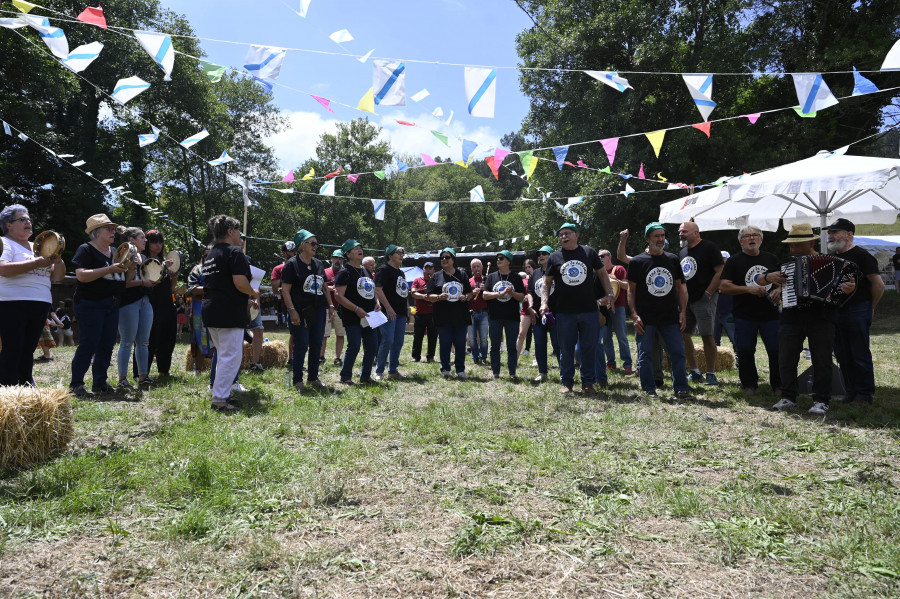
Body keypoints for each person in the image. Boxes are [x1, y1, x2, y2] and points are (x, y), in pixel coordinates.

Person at [763, 223, 853, 415]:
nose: (792, 248)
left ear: (811, 242)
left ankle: (821, 400)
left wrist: (848, 290)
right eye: (790, 245)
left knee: (822, 359)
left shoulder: (834, 262)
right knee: (786, 358)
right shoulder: (785, 263)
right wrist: (768, 277)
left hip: (822, 317)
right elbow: (759, 281)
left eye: (797, 244)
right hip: (791, 317)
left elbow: (842, 293)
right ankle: (788, 397)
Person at [540, 223, 613, 394]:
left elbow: (602, 274)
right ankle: (567, 383)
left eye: (567, 233)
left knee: (589, 348)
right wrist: (544, 302)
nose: (563, 236)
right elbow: (546, 283)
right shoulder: (555, 257)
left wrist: (609, 294)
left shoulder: (589, 252)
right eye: (560, 234)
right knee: (566, 349)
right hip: (564, 311)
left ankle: (588, 382)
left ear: (576, 235)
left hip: (589, 309)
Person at [0, 204, 67, 386]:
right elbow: (3, 269)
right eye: (22, 219)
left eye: (29, 219)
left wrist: (58, 258)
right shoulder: (5, 243)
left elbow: (58, 277)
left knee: (28, 348)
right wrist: (36, 263)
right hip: (12, 302)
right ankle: (7, 387)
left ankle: (25, 383)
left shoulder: (38, 246)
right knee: (13, 346)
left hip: (40, 303)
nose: (28, 222)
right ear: (8, 224)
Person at [626, 222, 691, 399]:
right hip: (645, 318)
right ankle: (649, 389)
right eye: (656, 236)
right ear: (648, 239)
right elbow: (630, 290)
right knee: (645, 355)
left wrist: (683, 311)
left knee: (677, 352)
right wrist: (634, 314)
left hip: (670, 316)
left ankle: (681, 389)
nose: (661, 239)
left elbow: (680, 288)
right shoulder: (637, 262)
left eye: (663, 235)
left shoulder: (672, 259)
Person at [202, 215, 259, 412]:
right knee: (231, 357)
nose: (240, 235)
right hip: (228, 310)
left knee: (224, 355)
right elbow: (240, 282)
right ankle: (219, 401)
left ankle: (221, 394)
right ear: (230, 232)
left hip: (211, 309)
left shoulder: (211, 254)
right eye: (238, 231)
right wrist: (254, 292)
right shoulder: (234, 252)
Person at [825, 218, 884, 406]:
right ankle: (851, 391)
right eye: (830, 232)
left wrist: (871, 307)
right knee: (842, 353)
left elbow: (878, 285)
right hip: (837, 311)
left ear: (849, 234)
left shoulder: (862, 255)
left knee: (859, 353)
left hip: (858, 309)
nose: (831, 235)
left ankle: (864, 395)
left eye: (835, 232)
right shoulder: (832, 258)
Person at [68, 214, 128, 397]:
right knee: (89, 343)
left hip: (112, 303)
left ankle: (100, 382)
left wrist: (132, 266)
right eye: (109, 229)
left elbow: (124, 277)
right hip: (90, 303)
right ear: (96, 232)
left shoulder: (116, 251)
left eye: (113, 229)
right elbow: (82, 275)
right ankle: (76, 383)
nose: (113, 232)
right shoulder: (85, 249)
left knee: (107, 344)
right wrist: (109, 269)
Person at [719, 226, 781, 395]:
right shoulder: (734, 261)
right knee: (745, 349)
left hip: (771, 314)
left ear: (761, 240)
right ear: (741, 242)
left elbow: (783, 280)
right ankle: (749, 385)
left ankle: (778, 386)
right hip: (744, 314)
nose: (751, 238)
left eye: (755, 235)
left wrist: (778, 290)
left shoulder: (771, 258)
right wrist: (749, 289)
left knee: (776, 350)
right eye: (747, 236)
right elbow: (724, 287)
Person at [281, 229, 329, 392]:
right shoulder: (292, 265)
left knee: (316, 343)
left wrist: (330, 306)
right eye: (312, 243)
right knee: (301, 345)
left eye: (317, 243)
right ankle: (297, 380)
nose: (316, 246)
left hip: (319, 309)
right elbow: (285, 290)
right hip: (300, 311)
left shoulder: (318, 264)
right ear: (302, 245)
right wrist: (292, 310)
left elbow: (325, 287)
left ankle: (313, 377)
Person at [678, 222, 724, 386]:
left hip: (704, 298)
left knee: (707, 335)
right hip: (687, 300)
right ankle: (695, 371)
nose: (681, 234)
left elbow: (721, 270)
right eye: (680, 231)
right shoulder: (683, 252)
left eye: (684, 231)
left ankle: (711, 373)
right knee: (683, 334)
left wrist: (709, 292)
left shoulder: (709, 247)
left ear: (696, 233)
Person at [334, 239, 379, 384]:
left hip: (369, 315)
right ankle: (345, 377)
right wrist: (356, 309)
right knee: (354, 345)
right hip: (352, 315)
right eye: (355, 248)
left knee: (372, 346)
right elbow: (338, 296)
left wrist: (377, 303)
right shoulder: (344, 272)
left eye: (361, 247)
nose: (360, 250)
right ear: (347, 254)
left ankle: (365, 376)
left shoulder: (365, 270)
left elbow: (372, 290)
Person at [427, 248, 474, 378]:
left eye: (447, 257)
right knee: (445, 344)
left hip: (460, 316)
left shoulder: (462, 275)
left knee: (460, 344)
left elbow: (470, 293)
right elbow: (429, 295)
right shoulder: (436, 276)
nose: (444, 259)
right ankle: (445, 369)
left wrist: (466, 297)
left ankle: (460, 370)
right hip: (443, 317)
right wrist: (438, 297)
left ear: (453, 260)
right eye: (442, 258)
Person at [116, 227, 154, 389]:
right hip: (128, 302)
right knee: (127, 341)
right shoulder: (122, 253)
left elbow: (147, 279)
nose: (146, 240)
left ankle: (143, 376)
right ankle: (122, 379)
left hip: (145, 301)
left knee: (143, 342)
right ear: (131, 239)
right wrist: (142, 281)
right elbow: (124, 283)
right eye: (142, 237)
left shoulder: (143, 256)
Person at [483, 250, 526, 379]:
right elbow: (485, 295)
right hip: (495, 316)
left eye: (501, 258)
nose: (498, 260)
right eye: (497, 258)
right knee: (495, 346)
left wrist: (511, 293)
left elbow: (522, 297)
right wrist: (499, 294)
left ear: (508, 261)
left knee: (512, 346)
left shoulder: (516, 277)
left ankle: (512, 372)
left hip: (512, 316)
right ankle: (496, 373)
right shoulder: (491, 277)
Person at [143, 230, 177, 380]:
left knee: (168, 336)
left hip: (167, 303)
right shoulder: (143, 260)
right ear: (147, 243)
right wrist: (163, 266)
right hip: (150, 303)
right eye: (154, 242)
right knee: (148, 338)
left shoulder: (165, 261)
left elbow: (171, 288)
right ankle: (143, 372)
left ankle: (164, 370)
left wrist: (174, 276)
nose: (158, 245)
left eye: (160, 242)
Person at [374, 244, 410, 380]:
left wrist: (407, 308)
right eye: (398, 253)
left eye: (402, 253)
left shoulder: (401, 273)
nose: (401, 255)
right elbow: (378, 289)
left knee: (398, 341)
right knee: (388, 339)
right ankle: (379, 371)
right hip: (388, 312)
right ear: (390, 255)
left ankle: (393, 370)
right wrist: (388, 307)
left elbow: (404, 292)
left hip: (401, 312)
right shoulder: (383, 270)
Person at [599, 248, 633, 375]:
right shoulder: (599, 271)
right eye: (599, 257)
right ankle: (610, 363)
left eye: (603, 256)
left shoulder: (618, 269)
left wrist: (616, 279)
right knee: (606, 337)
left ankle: (627, 364)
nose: (600, 258)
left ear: (610, 256)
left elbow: (627, 286)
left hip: (618, 307)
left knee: (622, 336)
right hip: (604, 308)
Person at [529, 246, 559, 383]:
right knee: (540, 344)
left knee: (558, 344)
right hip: (538, 314)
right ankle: (542, 372)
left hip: (556, 314)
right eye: (539, 254)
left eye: (544, 254)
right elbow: (529, 292)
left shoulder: (558, 271)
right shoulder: (535, 273)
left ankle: (564, 371)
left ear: (551, 255)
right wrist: (530, 307)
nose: (540, 256)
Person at [271, 241, 297, 364]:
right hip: (288, 304)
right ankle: (292, 358)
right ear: (284, 253)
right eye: (291, 251)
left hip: (303, 303)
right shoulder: (278, 269)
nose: (294, 253)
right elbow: (276, 290)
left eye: (295, 251)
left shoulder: (301, 267)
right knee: (294, 332)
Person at [322, 249, 345, 366]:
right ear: (331, 258)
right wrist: (329, 288)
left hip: (341, 308)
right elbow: (319, 287)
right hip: (325, 307)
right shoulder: (325, 272)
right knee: (324, 335)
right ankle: (321, 357)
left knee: (340, 334)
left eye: (340, 258)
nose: (338, 260)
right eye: (336, 257)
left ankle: (337, 358)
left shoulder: (345, 273)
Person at [410, 261, 437, 363]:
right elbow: (413, 293)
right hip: (420, 313)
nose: (428, 270)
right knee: (418, 336)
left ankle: (430, 357)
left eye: (430, 268)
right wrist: (423, 296)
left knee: (433, 336)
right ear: (423, 269)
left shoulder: (436, 281)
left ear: (434, 270)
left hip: (433, 314)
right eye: (426, 268)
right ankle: (416, 357)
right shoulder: (417, 280)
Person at [467, 258, 489, 365]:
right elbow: (465, 297)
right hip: (471, 313)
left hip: (484, 312)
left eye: (478, 266)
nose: (476, 269)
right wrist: (472, 292)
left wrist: (485, 290)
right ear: (471, 269)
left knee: (484, 337)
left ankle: (484, 356)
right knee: (472, 338)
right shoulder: (468, 281)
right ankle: (475, 356)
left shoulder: (487, 280)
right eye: (474, 267)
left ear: (482, 267)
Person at [515, 261, 535, 356]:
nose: (527, 269)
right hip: (525, 310)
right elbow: (520, 295)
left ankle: (537, 359)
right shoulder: (523, 281)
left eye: (529, 267)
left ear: (534, 267)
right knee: (521, 334)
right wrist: (524, 298)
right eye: (526, 267)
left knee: (539, 336)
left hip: (537, 309)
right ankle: (514, 360)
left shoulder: (540, 278)